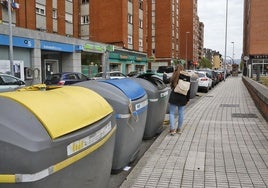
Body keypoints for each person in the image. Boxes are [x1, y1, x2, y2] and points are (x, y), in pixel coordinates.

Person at [168, 64, 191, 135]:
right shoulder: (187, 76)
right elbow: (189, 89)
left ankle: (172, 130)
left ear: (176, 68)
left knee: (172, 113)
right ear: (183, 69)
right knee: (181, 113)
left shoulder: (175, 75)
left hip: (174, 96)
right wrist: (187, 99)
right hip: (183, 97)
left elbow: (171, 84)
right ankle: (179, 129)